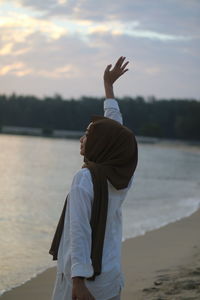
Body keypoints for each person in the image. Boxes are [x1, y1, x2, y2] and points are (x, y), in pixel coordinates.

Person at [49, 56, 138, 300]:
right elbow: (116, 132)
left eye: (88, 134)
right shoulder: (122, 176)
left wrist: (78, 282)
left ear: (102, 144)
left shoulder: (85, 178)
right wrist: (109, 89)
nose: (82, 139)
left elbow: (79, 232)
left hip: (83, 286)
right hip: (110, 278)